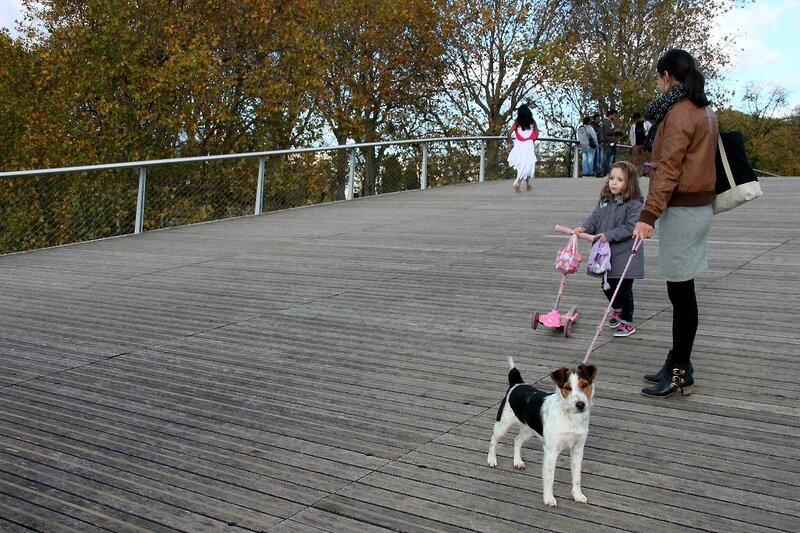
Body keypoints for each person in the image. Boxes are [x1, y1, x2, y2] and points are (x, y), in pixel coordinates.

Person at [633, 49, 718, 398]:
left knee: (681, 293)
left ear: (667, 75)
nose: (658, 82)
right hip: (696, 206)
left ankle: (681, 369)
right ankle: (677, 360)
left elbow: (670, 168)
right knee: (680, 290)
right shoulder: (703, 108)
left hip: (683, 209)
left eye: (658, 76)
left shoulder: (680, 112)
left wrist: (648, 214)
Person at [573, 161, 644, 337]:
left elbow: (630, 227)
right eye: (612, 178)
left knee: (623, 289)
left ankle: (627, 320)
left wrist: (609, 235)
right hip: (606, 254)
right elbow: (595, 218)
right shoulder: (605, 200)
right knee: (607, 287)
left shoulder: (634, 204)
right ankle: (618, 309)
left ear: (629, 183)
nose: (613, 182)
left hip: (626, 254)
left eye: (620, 180)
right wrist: (584, 228)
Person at [507, 104, 539, 193]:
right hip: (528, 145)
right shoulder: (532, 122)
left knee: (522, 165)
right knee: (528, 164)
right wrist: (532, 139)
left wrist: (510, 142)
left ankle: (527, 183)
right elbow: (537, 133)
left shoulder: (517, 122)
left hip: (519, 145)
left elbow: (509, 132)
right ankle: (520, 183)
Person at [600, 110, 624, 175]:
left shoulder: (609, 122)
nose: (615, 117)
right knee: (608, 158)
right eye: (614, 115)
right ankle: (608, 172)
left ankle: (611, 171)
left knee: (612, 158)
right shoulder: (607, 122)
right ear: (610, 115)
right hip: (609, 143)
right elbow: (607, 132)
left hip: (611, 142)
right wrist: (615, 131)